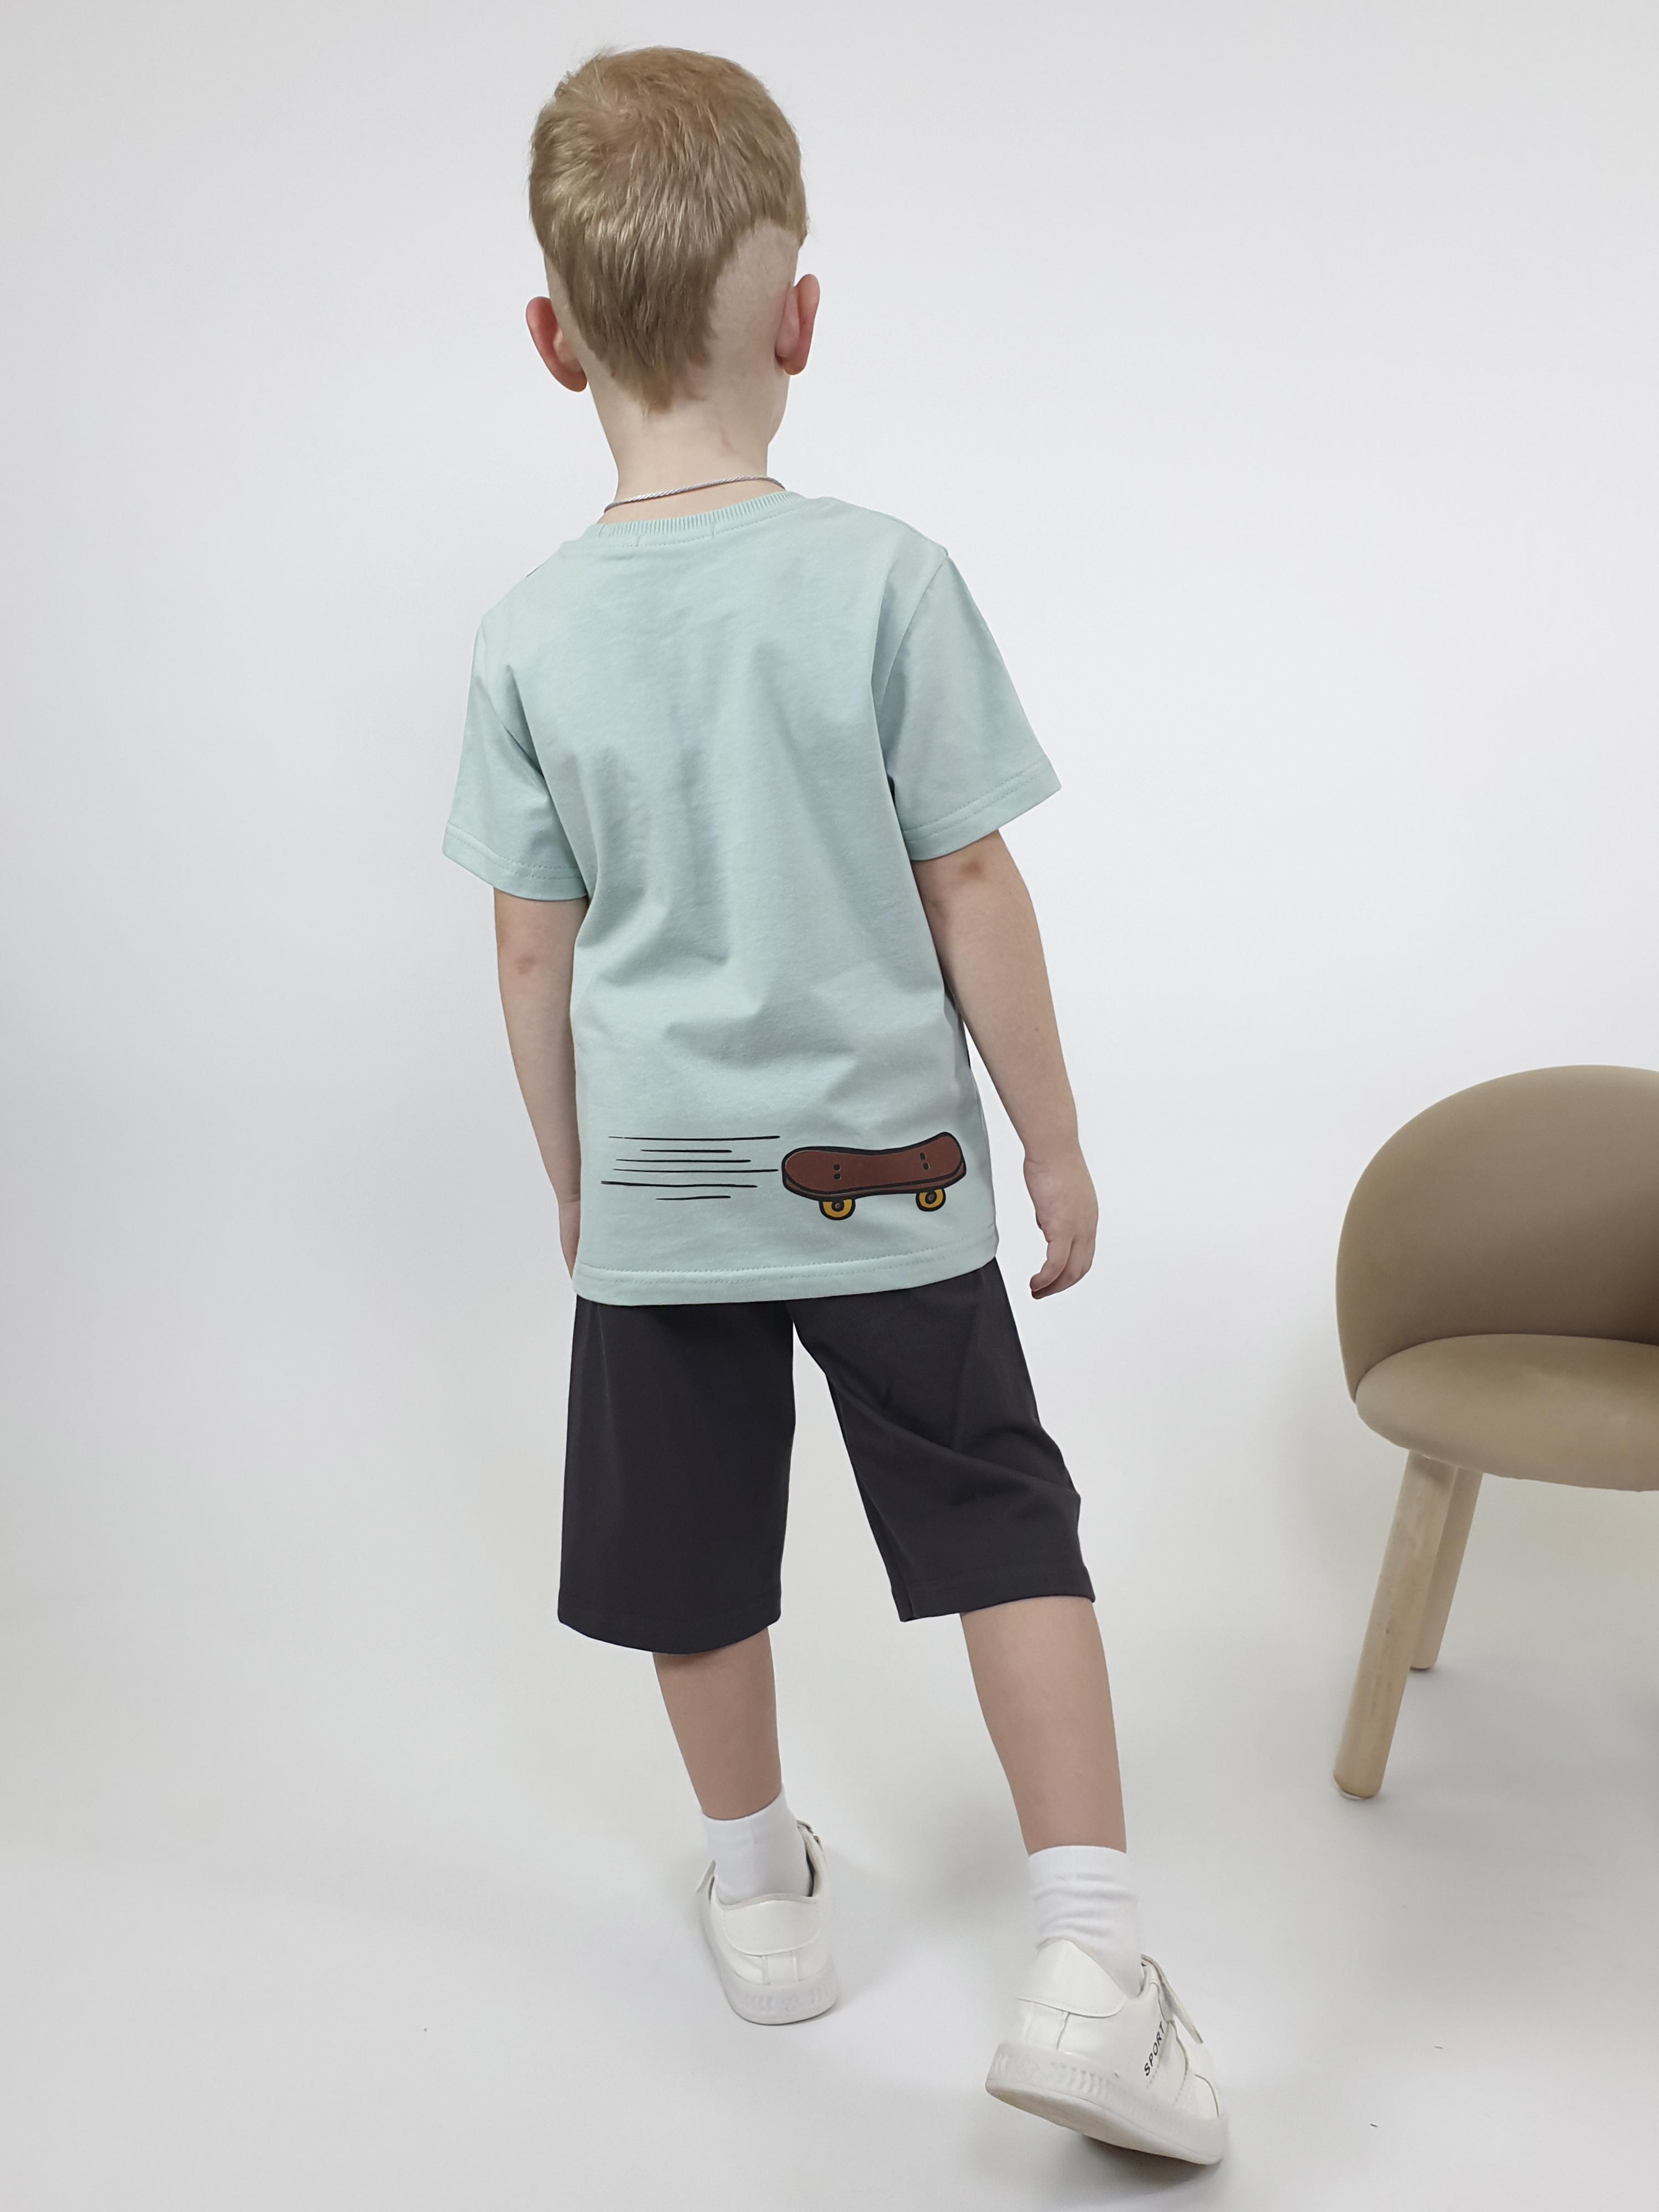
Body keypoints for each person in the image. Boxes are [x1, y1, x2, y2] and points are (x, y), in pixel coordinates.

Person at [443, 44, 1226, 2167]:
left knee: (695, 1555)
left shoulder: (526, 636)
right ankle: (1093, 1959)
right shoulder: (885, 577)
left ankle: (761, 1886)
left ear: (553, 341)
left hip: (666, 1191)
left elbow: (530, 957)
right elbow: (973, 884)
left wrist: (582, 1178)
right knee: (1001, 1519)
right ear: (799, 320)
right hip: (891, 1183)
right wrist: (1050, 1139)